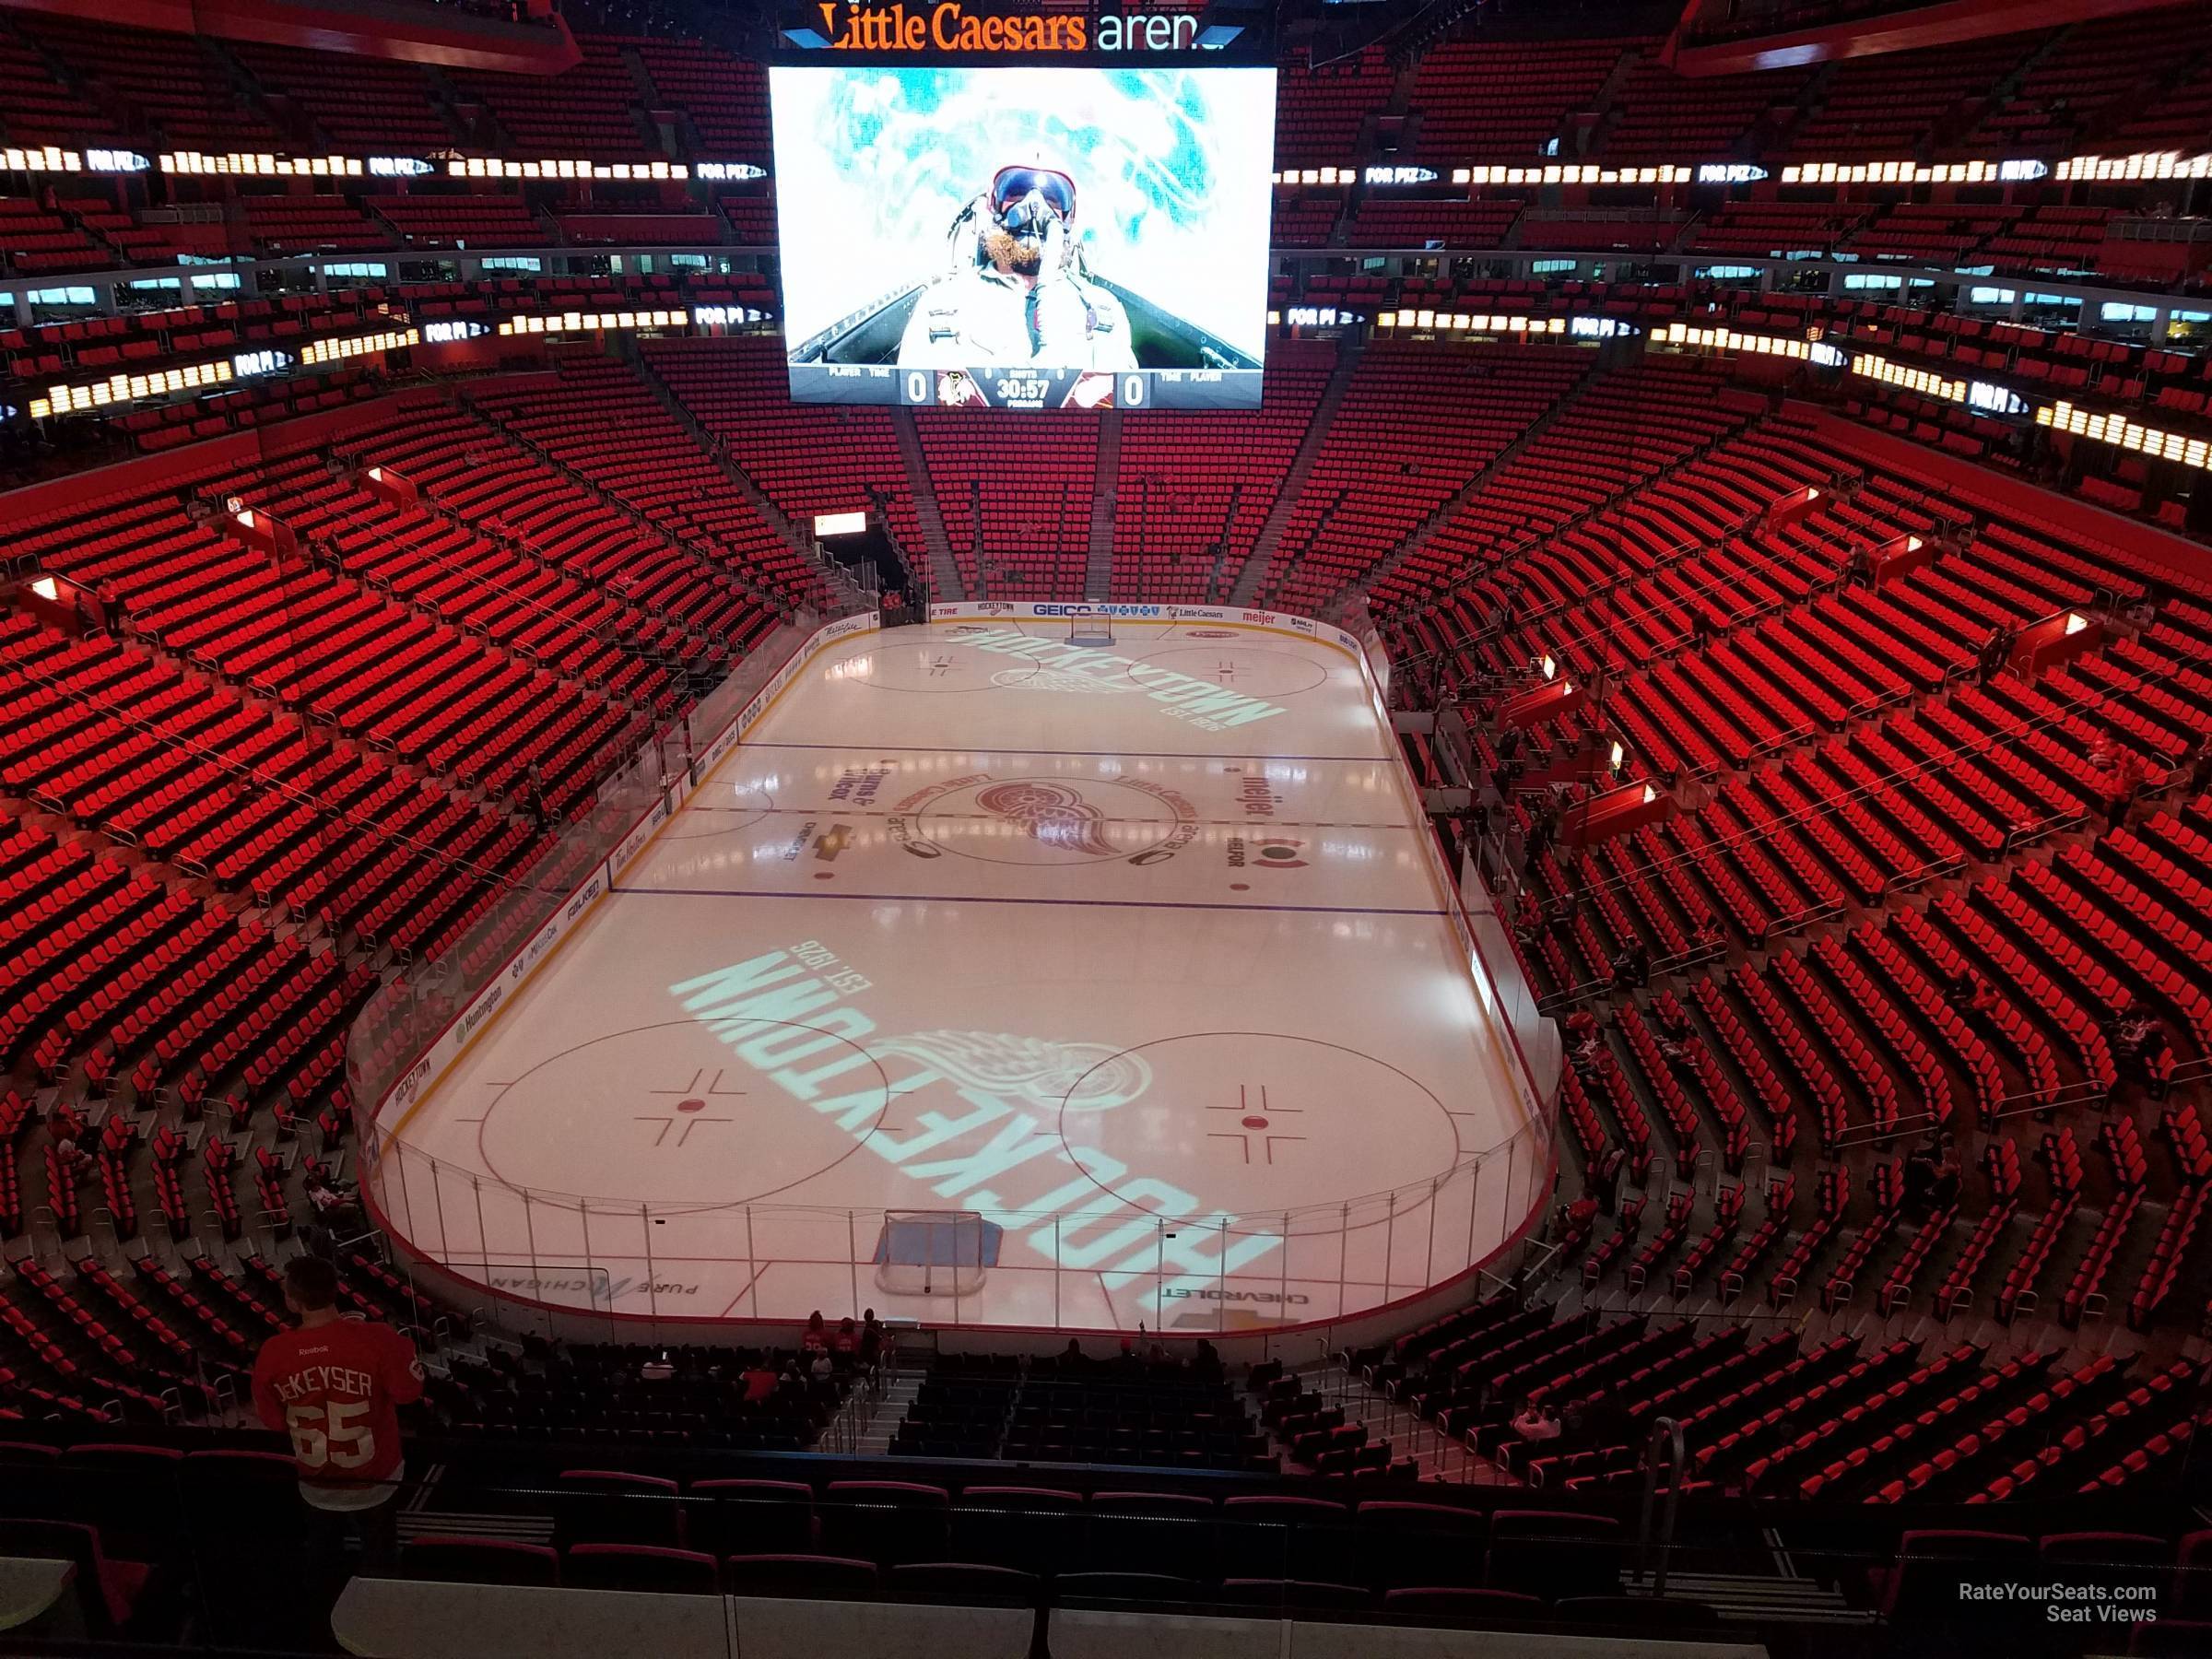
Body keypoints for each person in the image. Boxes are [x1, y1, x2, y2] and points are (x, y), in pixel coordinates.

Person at [252, 1255, 422, 1580]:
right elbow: (409, 1393)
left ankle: (322, 1611)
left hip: (316, 1482)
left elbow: (273, 1421)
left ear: (292, 1301)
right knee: (381, 1558)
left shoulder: (273, 1353)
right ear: (336, 1290)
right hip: (376, 1480)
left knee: (322, 1557)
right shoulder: (379, 1339)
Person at [897, 160, 1136, 372]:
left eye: (1052, 197)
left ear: (1067, 216)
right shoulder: (940, 306)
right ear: (994, 204)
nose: (1034, 207)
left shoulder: (1103, 312)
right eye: (1017, 191)